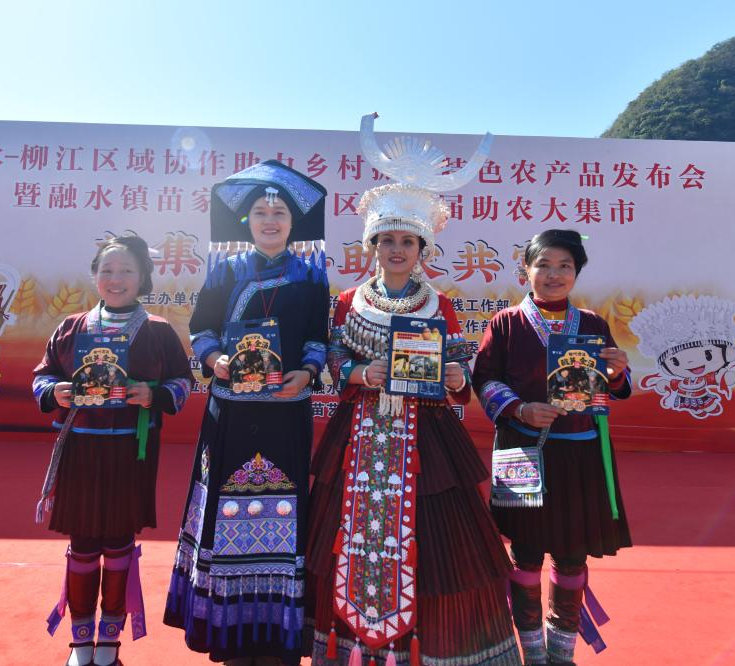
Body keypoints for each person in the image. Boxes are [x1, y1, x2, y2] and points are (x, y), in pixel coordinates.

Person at [304, 121, 519, 664]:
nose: (396, 249)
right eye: (387, 240)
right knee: (342, 536)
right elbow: (333, 359)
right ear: (372, 246)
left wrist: (456, 379)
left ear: (422, 248)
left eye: (407, 241)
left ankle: (426, 649)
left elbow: (459, 364)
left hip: (425, 439)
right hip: (360, 434)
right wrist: (361, 374)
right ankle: (352, 647)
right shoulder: (349, 301)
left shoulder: (439, 304)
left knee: (438, 548)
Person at [164, 161, 330, 665]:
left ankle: (279, 632)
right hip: (231, 416)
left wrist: (307, 372)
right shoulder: (226, 270)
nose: (270, 220)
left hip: (285, 413)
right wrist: (216, 360)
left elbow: (318, 338)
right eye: (260, 212)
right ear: (247, 221)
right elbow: (201, 329)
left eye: (279, 213)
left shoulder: (311, 275)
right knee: (227, 515)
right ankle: (229, 628)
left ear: (293, 222)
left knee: (284, 516)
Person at [471, 229, 632, 664]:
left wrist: (617, 371)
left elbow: (615, 386)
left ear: (577, 272)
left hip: (580, 453)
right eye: (543, 265)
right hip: (524, 450)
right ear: (526, 269)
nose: (553, 275)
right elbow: (483, 379)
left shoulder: (593, 324)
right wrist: (520, 409)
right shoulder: (506, 323)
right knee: (524, 554)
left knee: (572, 557)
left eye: (565, 266)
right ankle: (532, 652)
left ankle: (561, 653)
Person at [33, 233, 194, 666]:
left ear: (143, 277)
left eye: (126, 270)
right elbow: (42, 376)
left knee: (120, 542)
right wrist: (54, 391)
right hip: (81, 450)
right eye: (107, 270)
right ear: (94, 276)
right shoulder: (71, 327)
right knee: (83, 543)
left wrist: (153, 394)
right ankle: (80, 642)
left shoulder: (158, 330)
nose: (115, 278)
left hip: (129, 452)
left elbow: (183, 381)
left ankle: (109, 642)